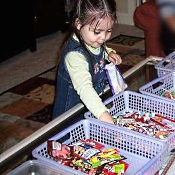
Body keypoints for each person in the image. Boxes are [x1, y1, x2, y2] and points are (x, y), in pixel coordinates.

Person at [52, 0, 122, 124]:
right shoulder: (74, 56)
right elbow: (85, 89)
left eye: (109, 31)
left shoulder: (93, 40)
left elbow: (100, 48)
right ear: (79, 24)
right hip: (71, 114)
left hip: (93, 105)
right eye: (97, 32)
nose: (103, 37)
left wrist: (109, 52)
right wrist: (103, 114)